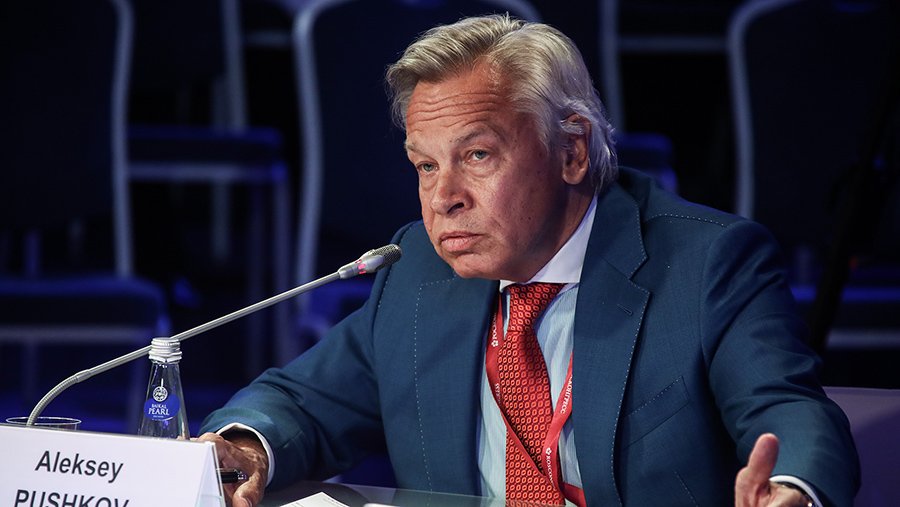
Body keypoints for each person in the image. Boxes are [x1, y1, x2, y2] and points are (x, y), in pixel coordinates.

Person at [198, 14, 859, 507]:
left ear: (572, 151)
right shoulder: (420, 268)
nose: (444, 198)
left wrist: (791, 488)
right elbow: (304, 402)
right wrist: (247, 446)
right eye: (425, 165)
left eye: (477, 155)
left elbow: (788, 410)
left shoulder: (707, 263)